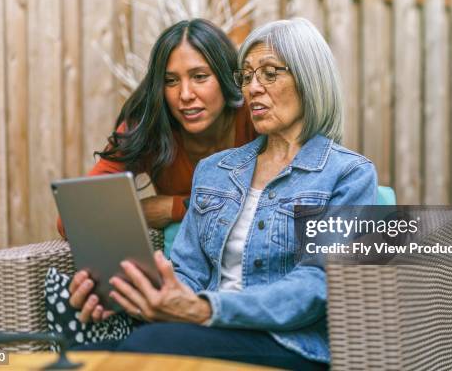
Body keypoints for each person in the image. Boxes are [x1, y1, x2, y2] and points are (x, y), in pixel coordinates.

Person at [69, 18, 378, 370]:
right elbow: (188, 272)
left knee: (147, 347)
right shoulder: (216, 170)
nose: (253, 88)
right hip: (208, 330)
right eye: (246, 77)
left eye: (269, 73)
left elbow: (317, 283)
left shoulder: (348, 174)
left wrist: (205, 308)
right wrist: (137, 294)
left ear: (309, 79)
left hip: (292, 344)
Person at [58, 19, 256, 236]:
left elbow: (294, 203)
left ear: (227, 75)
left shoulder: (256, 114)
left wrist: (172, 207)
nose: (186, 95)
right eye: (171, 81)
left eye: (200, 77)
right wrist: (146, 212)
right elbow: (71, 220)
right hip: (185, 263)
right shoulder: (150, 125)